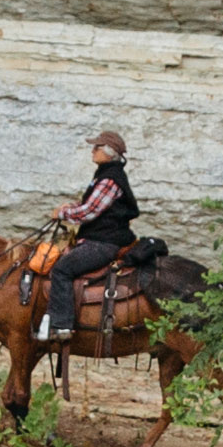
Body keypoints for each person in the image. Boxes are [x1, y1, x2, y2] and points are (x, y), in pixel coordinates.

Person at [39, 131, 145, 339]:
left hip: (104, 242)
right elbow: (92, 206)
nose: (93, 151)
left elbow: (89, 212)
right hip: (102, 238)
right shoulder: (105, 175)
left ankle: (61, 325)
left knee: (62, 269)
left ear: (109, 152)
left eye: (97, 147)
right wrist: (72, 207)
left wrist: (63, 213)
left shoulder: (110, 180)